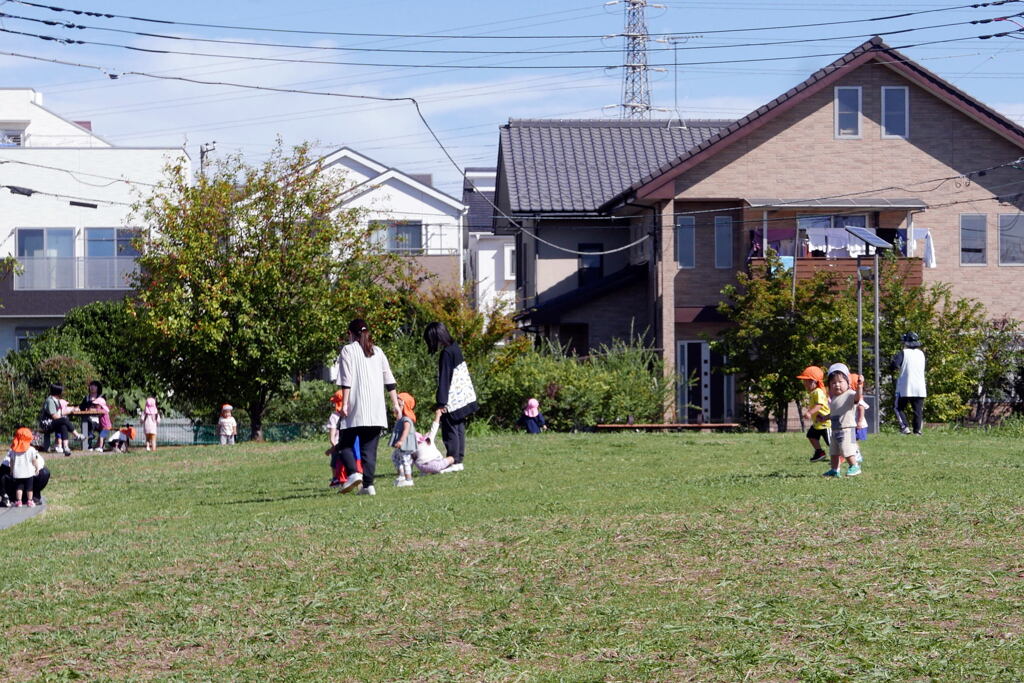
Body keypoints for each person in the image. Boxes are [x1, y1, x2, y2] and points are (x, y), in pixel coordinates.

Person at [334, 318, 402, 496]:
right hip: (376, 409)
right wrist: (395, 404)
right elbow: (390, 380)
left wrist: (345, 404)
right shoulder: (378, 351)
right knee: (369, 450)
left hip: (356, 407)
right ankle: (368, 486)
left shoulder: (348, 350)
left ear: (350, 334)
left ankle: (353, 473)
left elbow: (346, 380)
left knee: (344, 444)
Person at [423, 321, 479, 473]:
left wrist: (441, 402)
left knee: (450, 431)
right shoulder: (455, 348)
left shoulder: (446, 353)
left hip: (453, 400)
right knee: (459, 428)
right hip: (464, 398)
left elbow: (445, 379)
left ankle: (453, 460)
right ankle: (458, 460)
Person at [823, 363, 863, 478]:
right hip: (835, 429)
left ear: (848, 382)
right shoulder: (834, 398)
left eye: (840, 382)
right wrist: (825, 417)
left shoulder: (850, 394)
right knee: (834, 451)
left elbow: (857, 398)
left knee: (847, 450)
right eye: (833, 383)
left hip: (847, 429)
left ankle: (854, 466)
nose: (837, 385)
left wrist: (860, 387)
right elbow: (835, 413)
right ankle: (835, 470)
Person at [891, 331, 927, 435]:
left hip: (905, 386)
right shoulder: (921, 354)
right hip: (920, 386)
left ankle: (905, 427)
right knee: (918, 410)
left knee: (898, 407)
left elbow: (894, 365)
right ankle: (918, 430)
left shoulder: (903, 353)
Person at [796, 367, 830, 462]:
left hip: (825, 423)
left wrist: (809, 413)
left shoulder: (818, 392)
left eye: (806, 381)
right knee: (811, 435)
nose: (804, 383)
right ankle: (819, 452)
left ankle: (841, 455)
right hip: (817, 423)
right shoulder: (813, 392)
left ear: (813, 381)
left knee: (831, 443)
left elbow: (819, 405)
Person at [1, 441, 48, 507]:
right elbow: (6, 464)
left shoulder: (29, 450)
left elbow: (40, 464)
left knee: (44, 473)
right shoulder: (16, 450)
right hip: (18, 479)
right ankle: (9, 497)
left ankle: (32, 497)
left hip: (21, 476)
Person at [6, 427, 43, 507]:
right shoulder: (31, 449)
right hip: (29, 473)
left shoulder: (14, 450)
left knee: (19, 488)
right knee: (29, 488)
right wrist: (37, 467)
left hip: (18, 472)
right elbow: (34, 460)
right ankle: (30, 501)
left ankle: (19, 501)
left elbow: (12, 461)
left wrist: (11, 470)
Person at [390, 392, 418, 488]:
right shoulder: (401, 418)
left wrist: (401, 440)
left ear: (405, 406)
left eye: (399, 404)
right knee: (396, 457)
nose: (397, 406)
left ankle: (409, 479)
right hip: (402, 444)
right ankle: (402, 476)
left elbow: (406, 430)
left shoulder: (407, 419)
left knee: (405, 460)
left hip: (406, 444)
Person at [39, 384, 74, 456]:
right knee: (64, 420)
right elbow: (55, 416)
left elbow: (59, 414)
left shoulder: (56, 400)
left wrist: (69, 410)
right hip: (46, 424)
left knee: (63, 424)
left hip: (52, 422)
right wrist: (65, 415)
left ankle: (66, 447)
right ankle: (76, 434)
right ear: (58, 392)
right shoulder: (50, 401)